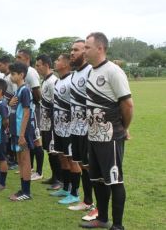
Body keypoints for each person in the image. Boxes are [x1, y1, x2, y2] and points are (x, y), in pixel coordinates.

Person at [79, 32, 133, 230]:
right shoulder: (92, 71)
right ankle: (102, 219)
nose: (84, 51)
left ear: (100, 48)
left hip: (110, 136)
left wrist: (123, 128)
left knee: (114, 180)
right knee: (97, 179)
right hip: (93, 135)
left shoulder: (113, 71)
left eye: (87, 47)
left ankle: (117, 225)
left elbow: (127, 104)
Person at [67, 40, 98, 221]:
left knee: (90, 167)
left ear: (85, 53)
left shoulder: (90, 71)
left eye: (76, 50)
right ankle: (87, 201)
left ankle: (95, 205)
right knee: (83, 166)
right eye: (71, 50)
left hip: (88, 129)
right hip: (75, 128)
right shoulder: (74, 74)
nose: (72, 53)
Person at [49, 54, 81, 206]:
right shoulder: (58, 81)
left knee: (72, 159)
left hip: (69, 129)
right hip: (58, 127)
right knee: (62, 157)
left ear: (66, 64)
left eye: (58, 59)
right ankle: (66, 188)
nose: (55, 61)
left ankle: (75, 193)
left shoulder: (72, 80)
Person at [9, 62, 35, 201]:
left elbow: (26, 113)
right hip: (16, 131)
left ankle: (27, 192)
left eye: (13, 74)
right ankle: (22, 188)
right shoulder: (17, 90)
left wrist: (22, 134)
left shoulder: (25, 90)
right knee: (20, 159)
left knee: (25, 160)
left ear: (21, 75)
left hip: (22, 133)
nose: (11, 76)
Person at [16, 49, 44, 181]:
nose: (17, 60)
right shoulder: (23, 73)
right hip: (27, 110)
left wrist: (35, 106)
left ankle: (39, 171)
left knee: (36, 140)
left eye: (19, 57)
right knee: (30, 139)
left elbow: (37, 93)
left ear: (27, 59)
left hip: (33, 110)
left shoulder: (31, 72)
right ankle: (30, 167)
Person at [35, 54, 61, 190]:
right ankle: (54, 176)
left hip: (52, 124)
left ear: (46, 65)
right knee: (49, 150)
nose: (37, 68)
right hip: (45, 122)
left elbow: (57, 104)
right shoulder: (45, 80)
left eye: (38, 65)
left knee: (54, 151)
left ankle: (59, 179)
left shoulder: (53, 81)